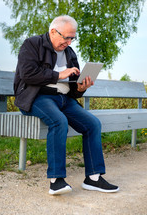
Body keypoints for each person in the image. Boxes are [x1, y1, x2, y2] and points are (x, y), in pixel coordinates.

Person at [14, 15, 119, 195]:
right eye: (66, 37)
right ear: (53, 31)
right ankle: (56, 180)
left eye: (72, 38)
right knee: (59, 121)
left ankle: (93, 178)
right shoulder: (32, 44)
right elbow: (27, 74)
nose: (69, 42)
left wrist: (81, 88)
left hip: (64, 99)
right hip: (38, 97)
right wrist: (59, 75)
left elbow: (73, 89)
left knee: (93, 124)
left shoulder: (70, 53)